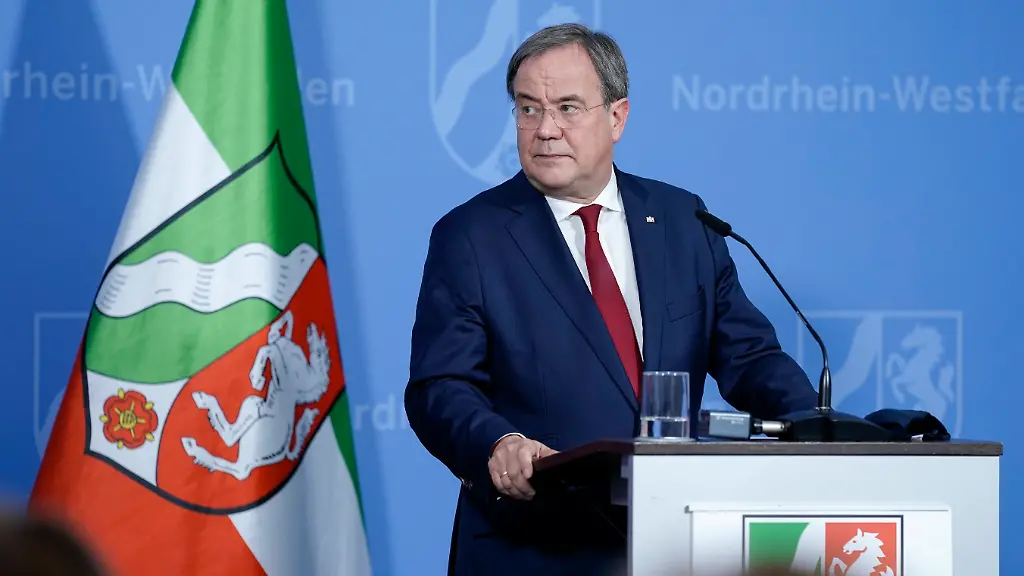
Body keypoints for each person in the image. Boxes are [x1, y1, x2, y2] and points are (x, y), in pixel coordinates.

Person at [405, 23, 819, 576]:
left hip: (672, 542)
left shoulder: (683, 220)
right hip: (532, 548)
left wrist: (820, 430)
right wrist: (498, 443)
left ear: (617, 117)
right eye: (528, 109)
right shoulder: (471, 237)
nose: (545, 130)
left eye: (567, 108)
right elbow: (439, 387)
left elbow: (750, 358)